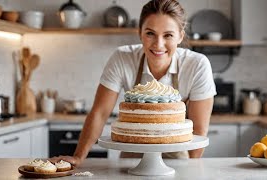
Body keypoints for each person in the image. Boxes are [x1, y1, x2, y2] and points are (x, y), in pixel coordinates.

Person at [50, 0, 216, 167]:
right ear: (140, 32)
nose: (158, 44)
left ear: (180, 35)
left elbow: (199, 131)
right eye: (150, 33)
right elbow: (100, 113)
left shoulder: (197, 65)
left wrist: (191, 170)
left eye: (168, 35)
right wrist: (78, 157)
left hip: (178, 154)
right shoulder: (122, 58)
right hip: (132, 155)